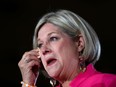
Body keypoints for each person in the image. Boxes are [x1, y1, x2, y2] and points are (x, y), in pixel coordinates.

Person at [18, 9, 116, 87]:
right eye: (40, 45)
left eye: (53, 38)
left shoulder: (107, 83)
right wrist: (28, 83)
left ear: (79, 43)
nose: (43, 50)